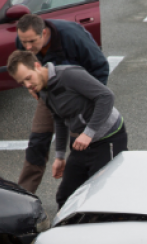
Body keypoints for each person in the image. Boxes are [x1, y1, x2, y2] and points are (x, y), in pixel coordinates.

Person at [7, 50, 127, 208]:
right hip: (83, 142)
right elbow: (59, 118)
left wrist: (88, 133)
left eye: (28, 78)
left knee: (101, 196)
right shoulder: (42, 89)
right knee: (65, 196)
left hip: (108, 137)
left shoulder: (69, 75)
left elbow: (106, 97)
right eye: (22, 83)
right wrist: (60, 156)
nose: (28, 85)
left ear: (37, 66)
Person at [14, 14, 110, 193]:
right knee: (37, 143)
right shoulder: (24, 41)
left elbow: (101, 68)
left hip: (79, 96)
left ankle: (89, 197)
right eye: (23, 42)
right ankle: (24, 198)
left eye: (32, 41)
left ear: (44, 33)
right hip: (48, 95)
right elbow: (24, 67)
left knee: (80, 149)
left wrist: (88, 103)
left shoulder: (72, 37)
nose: (27, 47)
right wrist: (32, 88)